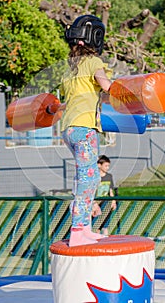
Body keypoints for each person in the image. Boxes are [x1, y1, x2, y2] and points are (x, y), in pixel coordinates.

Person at [60, 14, 112, 247]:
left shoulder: (68, 70)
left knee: (84, 176)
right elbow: (107, 87)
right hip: (84, 128)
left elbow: (67, 101)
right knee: (88, 180)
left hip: (68, 129)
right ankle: (79, 229)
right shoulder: (94, 63)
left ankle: (85, 228)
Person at [92, 155, 117, 235]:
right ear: (99, 165)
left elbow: (110, 190)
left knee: (105, 224)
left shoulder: (109, 176)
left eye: (108, 166)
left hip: (106, 203)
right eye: (106, 166)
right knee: (96, 224)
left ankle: (105, 240)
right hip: (96, 204)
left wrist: (113, 201)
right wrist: (93, 203)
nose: (107, 168)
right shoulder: (94, 177)